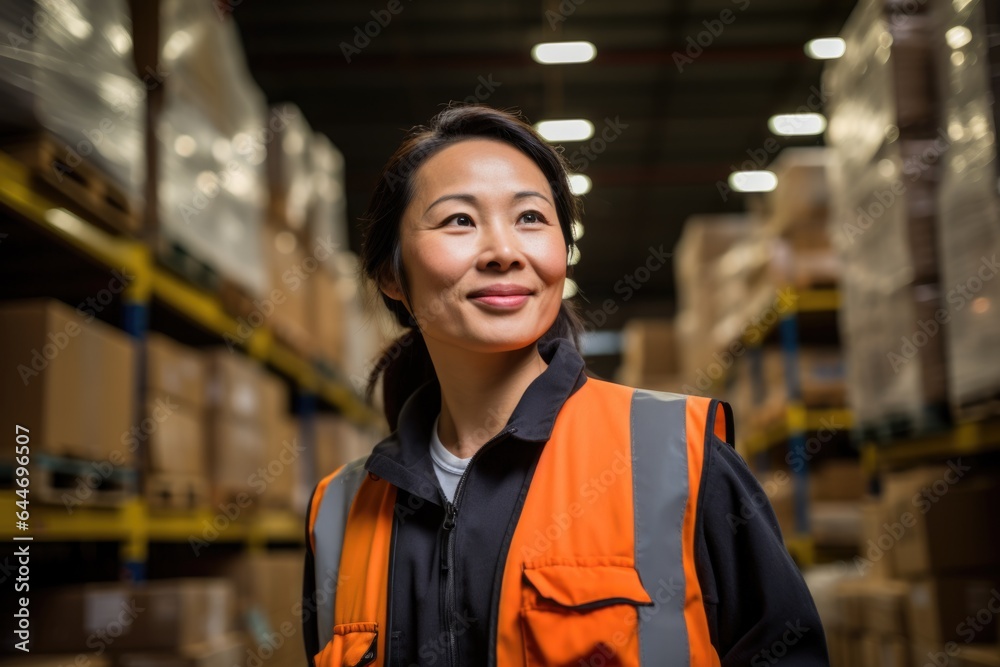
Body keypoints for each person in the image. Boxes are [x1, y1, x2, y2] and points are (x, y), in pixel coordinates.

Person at [301, 104, 829, 667]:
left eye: (531, 218)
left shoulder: (678, 458)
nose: (505, 252)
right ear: (391, 274)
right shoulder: (340, 510)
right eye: (459, 220)